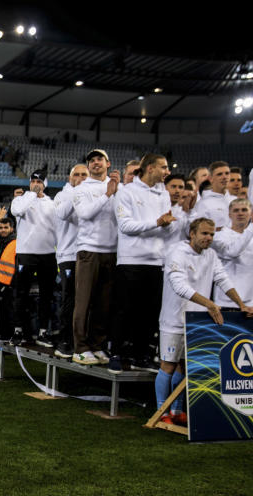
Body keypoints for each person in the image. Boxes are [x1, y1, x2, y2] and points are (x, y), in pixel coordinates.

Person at [157, 218, 253, 426]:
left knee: (185, 367)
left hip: (196, 320)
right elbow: (180, 287)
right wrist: (210, 304)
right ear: (192, 234)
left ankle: (176, 411)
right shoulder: (177, 253)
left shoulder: (211, 255)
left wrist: (241, 304)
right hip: (173, 319)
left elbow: (222, 279)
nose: (209, 238)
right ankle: (160, 411)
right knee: (168, 365)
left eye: (211, 234)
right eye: (204, 233)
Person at [108, 153, 180, 374]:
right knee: (124, 310)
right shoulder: (126, 192)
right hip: (131, 260)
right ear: (150, 168)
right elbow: (126, 226)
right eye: (164, 167)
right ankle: (116, 353)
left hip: (156, 261)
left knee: (149, 313)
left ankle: (141, 355)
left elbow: (167, 229)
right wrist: (157, 223)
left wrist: (167, 225)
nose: (167, 171)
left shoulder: (164, 195)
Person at [71, 149, 120, 366]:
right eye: (91, 160)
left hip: (111, 250)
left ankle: (97, 344)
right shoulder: (81, 189)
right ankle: (80, 347)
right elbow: (85, 213)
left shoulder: (118, 188)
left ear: (108, 163)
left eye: (99, 159)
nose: (95, 163)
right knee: (83, 302)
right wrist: (107, 194)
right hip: (88, 249)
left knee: (104, 302)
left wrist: (115, 191)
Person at [9, 171, 57, 347]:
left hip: (47, 254)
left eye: (39, 181)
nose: (36, 184)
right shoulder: (20, 200)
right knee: (21, 294)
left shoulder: (52, 204)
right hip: (26, 253)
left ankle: (44, 332)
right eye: (33, 181)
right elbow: (17, 210)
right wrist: (31, 194)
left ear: (45, 183)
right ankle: (18, 330)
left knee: (47, 295)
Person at [52, 164, 87, 358]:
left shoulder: (93, 194)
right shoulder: (62, 196)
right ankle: (65, 340)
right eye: (77, 175)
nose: (81, 178)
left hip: (88, 254)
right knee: (69, 299)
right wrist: (79, 193)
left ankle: (82, 341)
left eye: (84, 175)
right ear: (70, 177)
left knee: (86, 301)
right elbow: (63, 213)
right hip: (68, 255)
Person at [190, 161, 234, 230]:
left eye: (227, 173)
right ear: (210, 179)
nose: (224, 177)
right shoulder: (203, 204)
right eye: (219, 174)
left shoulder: (235, 200)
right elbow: (198, 231)